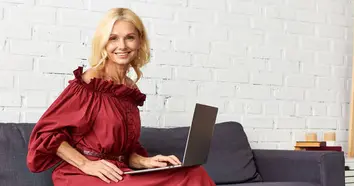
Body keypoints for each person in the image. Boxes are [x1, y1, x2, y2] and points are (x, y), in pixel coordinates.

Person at [26, 7, 216, 186]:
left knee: (194, 174)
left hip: (118, 171)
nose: (122, 46)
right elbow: (46, 134)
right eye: (113, 38)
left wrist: (145, 161)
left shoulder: (129, 88)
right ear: (103, 43)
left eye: (130, 38)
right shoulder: (91, 81)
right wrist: (86, 164)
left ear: (139, 41)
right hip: (83, 174)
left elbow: (121, 151)